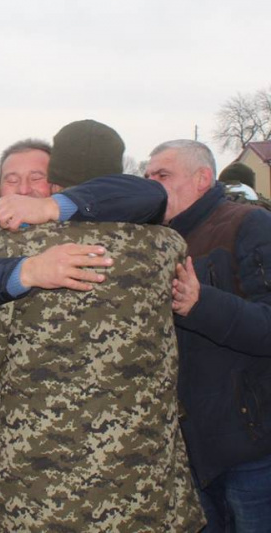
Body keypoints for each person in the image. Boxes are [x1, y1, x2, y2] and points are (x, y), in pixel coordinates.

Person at [0, 121, 204, 531]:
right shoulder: (167, 248)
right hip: (145, 483)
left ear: (55, 181)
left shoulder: (12, 249)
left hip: (42, 488)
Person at [145, 139, 271, 531]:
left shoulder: (249, 224)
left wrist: (203, 305)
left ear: (202, 178)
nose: (152, 186)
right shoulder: (150, 241)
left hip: (250, 449)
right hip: (187, 455)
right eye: (147, 178)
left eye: (162, 176)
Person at [0, 139, 170, 318]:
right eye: (11, 180)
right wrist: (26, 271)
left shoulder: (78, 210)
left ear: (54, 184)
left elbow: (152, 195)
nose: (23, 190)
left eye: (36, 178)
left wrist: (51, 207)